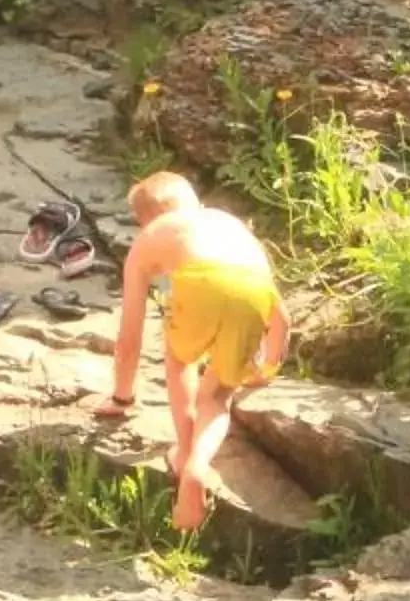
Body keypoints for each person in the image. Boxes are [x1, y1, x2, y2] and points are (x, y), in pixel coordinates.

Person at [98, 171, 290, 531]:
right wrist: (269, 365)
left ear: (145, 221)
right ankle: (199, 464)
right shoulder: (228, 224)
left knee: (180, 361)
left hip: (200, 284)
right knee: (217, 395)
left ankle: (185, 450)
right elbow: (281, 315)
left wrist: (122, 397)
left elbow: (129, 339)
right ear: (196, 203)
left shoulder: (151, 237)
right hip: (254, 290)